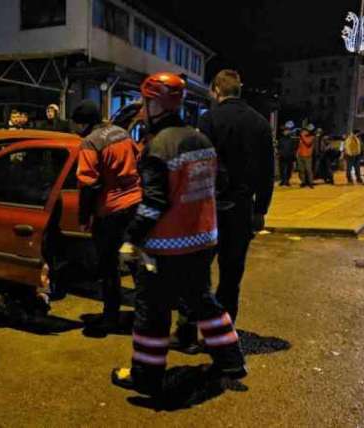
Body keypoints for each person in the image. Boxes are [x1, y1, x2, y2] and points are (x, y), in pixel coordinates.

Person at [110, 72, 246, 396]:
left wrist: (130, 239)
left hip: (165, 248)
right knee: (203, 302)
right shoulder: (201, 139)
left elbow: (153, 204)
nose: (141, 109)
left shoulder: (159, 146)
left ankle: (145, 377)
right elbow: (221, 183)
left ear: (155, 103)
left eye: (144, 102)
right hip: (201, 243)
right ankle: (231, 360)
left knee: (151, 313)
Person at [179, 69, 274, 337]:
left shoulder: (209, 119)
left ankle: (187, 330)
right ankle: (221, 335)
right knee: (231, 277)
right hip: (242, 209)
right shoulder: (260, 123)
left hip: (209, 208)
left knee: (196, 271)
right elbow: (268, 172)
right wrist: (261, 210)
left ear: (216, 91)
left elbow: (198, 165)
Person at [73, 100, 142, 337]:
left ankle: (110, 316)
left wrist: (84, 216)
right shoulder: (121, 133)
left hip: (110, 210)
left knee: (109, 266)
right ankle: (145, 315)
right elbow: (138, 159)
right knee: (135, 262)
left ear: (82, 124)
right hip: (134, 204)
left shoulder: (90, 142)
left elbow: (88, 184)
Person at [277, 122, 297, 186]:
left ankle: (287, 181)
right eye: (285, 131)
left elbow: (293, 149)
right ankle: (283, 181)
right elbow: (278, 147)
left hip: (289, 157)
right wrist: (279, 153)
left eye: (287, 131)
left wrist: (294, 158)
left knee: (289, 170)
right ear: (283, 132)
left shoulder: (291, 140)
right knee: (282, 170)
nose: (286, 132)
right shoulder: (280, 139)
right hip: (282, 157)